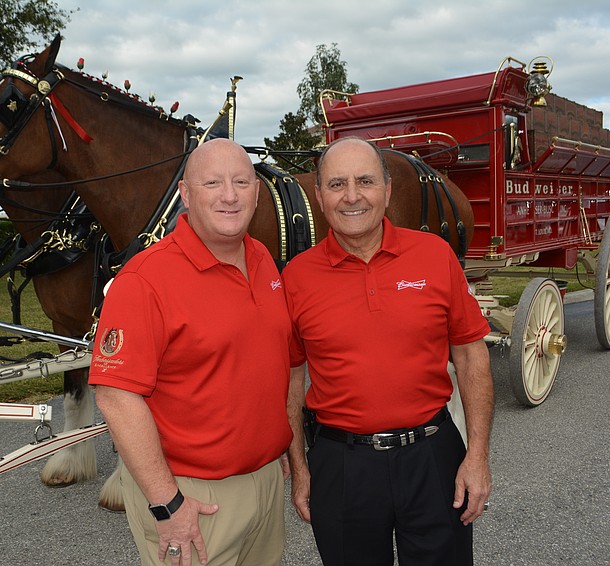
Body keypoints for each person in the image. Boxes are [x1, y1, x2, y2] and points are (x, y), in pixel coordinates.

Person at [283, 137, 494, 565]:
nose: (353, 196)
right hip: (341, 466)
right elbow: (290, 377)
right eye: (337, 184)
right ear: (319, 196)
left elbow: (472, 357)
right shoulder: (296, 276)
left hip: (433, 456)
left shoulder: (434, 255)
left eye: (365, 181)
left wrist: (477, 457)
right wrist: (300, 469)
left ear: (388, 189)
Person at [89, 138, 293, 566]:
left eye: (241, 181)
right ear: (185, 194)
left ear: (257, 192)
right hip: (192, 496)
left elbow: (275, 365)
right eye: (213, 182)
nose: (230, 195)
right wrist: (167, 504)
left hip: (265, 481)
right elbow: (115, 397)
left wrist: (282, 452)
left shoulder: (262, 260)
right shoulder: (145, 279)